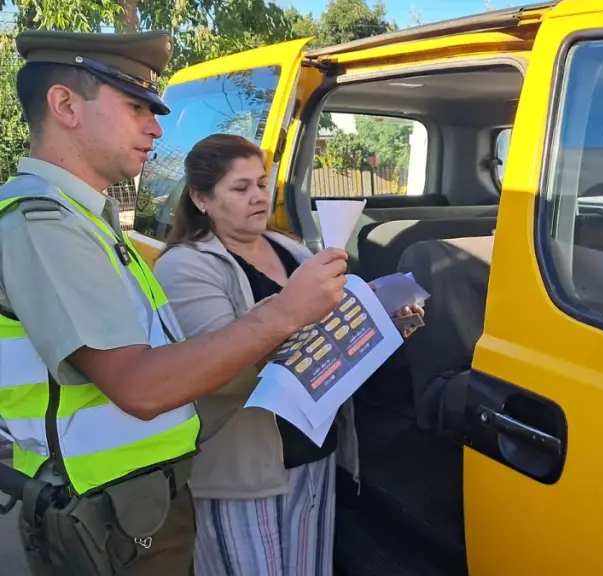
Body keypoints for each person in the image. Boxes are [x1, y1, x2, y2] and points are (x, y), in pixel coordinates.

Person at [0, 29, 350, 575]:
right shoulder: (44, 223)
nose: (156, 127)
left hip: (135, 501)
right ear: (65, 104)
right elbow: (140, 387)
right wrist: (286, 312)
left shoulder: (85, 221)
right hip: (101, 511)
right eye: (136, 106)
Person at [152, 133, 425, 576]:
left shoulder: (293, 249)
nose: (259, 197)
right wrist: (290, 310)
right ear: (201, 198)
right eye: (240, 188)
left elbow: (328, 351)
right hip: (244, 470)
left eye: (262, 183)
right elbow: (213, 372)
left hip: (312, 451)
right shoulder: (186, 266)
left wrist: (379, 325)